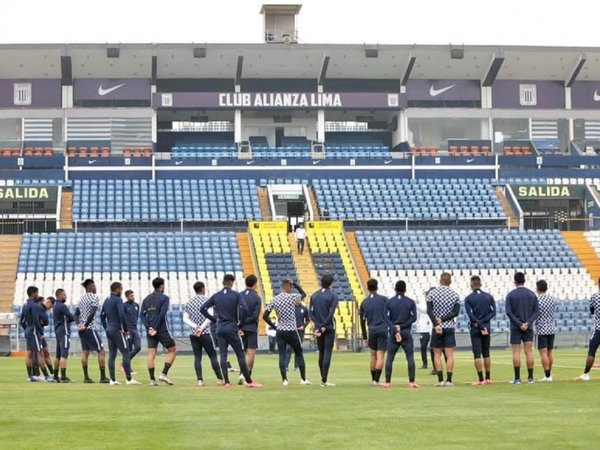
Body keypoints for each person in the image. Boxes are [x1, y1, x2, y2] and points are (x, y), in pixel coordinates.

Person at [200, 274, 262, 388]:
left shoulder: (216, 296)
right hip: (232, 328)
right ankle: (249, 381)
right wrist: (240, 324)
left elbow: (202, 308)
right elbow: (245, 309)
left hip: (220, 328)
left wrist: (214, 320)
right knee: (240, 355)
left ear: (223, 282)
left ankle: (227, 382)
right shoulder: (236, 295)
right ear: (232, 283)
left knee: (223, 355)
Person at [262, 279, 311, 386]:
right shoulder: (292, 297)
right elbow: (303, 294)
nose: (292, 289)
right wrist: (295, 283)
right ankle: (303, 379)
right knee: (299, 353)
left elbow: (264, 316)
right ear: (288, 287)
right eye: (291, 287)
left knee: (282, 355)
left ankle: (284, 380)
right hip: (292, 330)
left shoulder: (275, 299)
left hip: (280, 330)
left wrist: (274, 326)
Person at [183, 281, 224, 386]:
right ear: (203, 289)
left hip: (193, 333)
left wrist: (195, 327)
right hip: (204, 332)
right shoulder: (207, 300)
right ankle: (220, 378)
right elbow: (209, 317)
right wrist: (201, 328)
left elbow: (185, 319)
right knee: (212, 356)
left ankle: (200, 380)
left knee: (197, 357)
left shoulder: (189, 302)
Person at [100, 282, 140, 385]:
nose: (121, 291)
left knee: (112, 355)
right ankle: (129, 379)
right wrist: (126, 330)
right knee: (126, 352)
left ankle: (112, 380)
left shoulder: (106, 300)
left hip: (109, 330)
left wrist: (106, 327)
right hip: (117, 330)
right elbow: (122, 315)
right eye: (121, 289)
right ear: (117, 289)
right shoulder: (118, 300)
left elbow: (101, 316)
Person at [140, 277, 177, 386]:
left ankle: (152, 380)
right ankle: (163, 374)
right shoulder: (164, 298)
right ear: (161, 286)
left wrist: (148, 327)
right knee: (173, 350)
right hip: (161, 329)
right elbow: (162, 314)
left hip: (150, 330)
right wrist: (155, 328)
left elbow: (142, 315)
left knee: (151, 354)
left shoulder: (146, 299)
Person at [427, 272, 461, 387]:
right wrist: (443, 319)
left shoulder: (432, 293)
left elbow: (429, 310)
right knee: (450, 355)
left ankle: (440, 380)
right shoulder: (455, 295)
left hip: (437, 327)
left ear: (440, 280)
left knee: (437, 354)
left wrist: (436, 323)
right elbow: (455, 313)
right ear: (450, 281)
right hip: (449, 327)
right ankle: (449, 380)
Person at [383, 280, 418, 389]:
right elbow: (414, 317)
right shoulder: (410, 302)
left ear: (395, 289)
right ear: (405, 289)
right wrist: (402, 327)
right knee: (410, 357)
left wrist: (394, 327)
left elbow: (385, 317)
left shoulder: (389, 302)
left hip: (393, 332)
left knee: (390, 357)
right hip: (406, 332)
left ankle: (388, 382)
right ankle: (411, 382)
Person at [505, 272, 539, 385]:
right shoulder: (532, 294)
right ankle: (530, 378)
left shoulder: (510, 295)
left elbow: (509, 312)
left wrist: (519, 324)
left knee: (516, 352)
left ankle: (517, 378)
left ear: (515, 281)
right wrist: (527, 323)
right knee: (529, 352)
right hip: (528, 327)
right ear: (524, 280)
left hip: (515, 327)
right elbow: (536, 312)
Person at [75, 279, 109, 384]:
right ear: (90, 287)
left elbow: (76, 314)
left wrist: (79, 324)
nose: (96, 288)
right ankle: (103, 377)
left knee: (85, 352)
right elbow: (92, 313)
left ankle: (86, 377)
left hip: (82, 329)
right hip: (90, 328)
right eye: (94, 286)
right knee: (101, 351)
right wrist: (85, 325)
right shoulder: (94, 297)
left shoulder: (81, 299)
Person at [464, 276, 496, 385]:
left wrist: (479, 324)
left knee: (477, 354)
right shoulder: (489, 297)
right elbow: (493, 312)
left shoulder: (469, 298)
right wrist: (484, 323)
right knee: (486, 353)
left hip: (475, 327)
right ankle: (488, 378)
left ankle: (480, 379)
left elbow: (470, 314)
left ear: (471, 285)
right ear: (480, 284)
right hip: (486, 327)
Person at [309, 273, 339, 387]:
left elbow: (310, 313)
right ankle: (324, 379)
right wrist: (324, 325)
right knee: (327, 352)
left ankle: (323, 378)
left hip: (318, 327)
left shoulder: (314, 295)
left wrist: (318, 325)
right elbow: (331, 313)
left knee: (321, 353)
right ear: (331, 283)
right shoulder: (333, 296)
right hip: (328, 327)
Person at [359, 279, 388, 386]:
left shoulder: (364, 302)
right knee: (380, 355)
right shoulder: (384, 300)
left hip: (372, 331)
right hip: (383, 329)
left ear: (367, 287)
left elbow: (362, 321)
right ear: (377, 287)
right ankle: (377, 380)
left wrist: (364, 337)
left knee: (373, 356)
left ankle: (373, 380)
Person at [239, 275, 261, 384]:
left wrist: (240, 324)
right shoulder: (256, 297)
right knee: (251, 351)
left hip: (240, 327)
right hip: (251, 327)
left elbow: (237, 312)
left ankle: (241, 374)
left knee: (243, 351)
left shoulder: (239, 295)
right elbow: (255, 315)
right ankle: (247, 375)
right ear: (255, 284)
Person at [577, 278, 600, 381]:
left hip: (598, 329)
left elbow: (592, 310)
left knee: (591, 352)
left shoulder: (595, 297)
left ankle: (586, 374)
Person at [535, 280, 556, 382]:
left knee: (543, 353)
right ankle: (549, 374)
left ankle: (547, 375)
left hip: (542, 329)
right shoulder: (552, 299)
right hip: (551, 328)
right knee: (549, 352)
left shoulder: (537, 300)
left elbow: (535, 314)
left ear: (537, 288)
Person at [21, 286, 43, 382]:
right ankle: (44, 375)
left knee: (29, 353)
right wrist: (40, 332)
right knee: (38, 353)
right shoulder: (34, 305)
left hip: (28, 331)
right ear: (33, 293)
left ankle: (30, 376)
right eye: (37, 293)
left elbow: (22, 321)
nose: (37, 295)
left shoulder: (25, 305)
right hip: (34, 331)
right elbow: (36, 320)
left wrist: (26, 329)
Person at [52, 289, 74, 383]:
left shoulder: (55, 305)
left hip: (57, 332)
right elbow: (71, 317)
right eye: (64, 295)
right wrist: (69, 320)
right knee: (64, 355)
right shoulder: (62, 306)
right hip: (64, 332)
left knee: (58, 356)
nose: (66, 297)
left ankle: (56, 376)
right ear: (59, 295)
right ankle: (63, 376)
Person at [285, 298, 310, 371]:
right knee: (288, 348)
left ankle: (296, 366)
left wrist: (304, 326)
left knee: (298, 349)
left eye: (298, 299)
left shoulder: (304, 309)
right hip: (291, 331)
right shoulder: (290, 308)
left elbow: (308, 320)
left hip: (300, 331)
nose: (296, 301)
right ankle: (286, 366)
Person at [123, 290, 141, 371]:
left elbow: (136, 317)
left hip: (135, 329)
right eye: (131, 296)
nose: (133, 297)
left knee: (138, 347)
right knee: (129, 349)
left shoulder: (137, 305)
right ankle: (128, 368)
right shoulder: (124, 306)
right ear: (127, 297)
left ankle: (125, 362)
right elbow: (122, 318)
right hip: (128, 329)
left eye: (133, 296)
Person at [415, 290, 432, 370]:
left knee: (434, 348)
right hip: (423, 329)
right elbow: (418, 316)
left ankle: (435, 366)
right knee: (423, 347)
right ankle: (425, 363)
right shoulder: (421, 304)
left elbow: (425, 311)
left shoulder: (431, 304)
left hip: (431, 329)